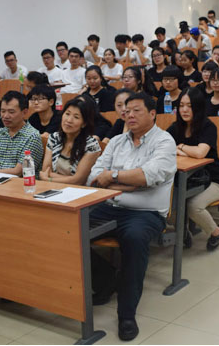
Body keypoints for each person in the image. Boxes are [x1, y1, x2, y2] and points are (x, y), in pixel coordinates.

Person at [86, 92, 176, 341]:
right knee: (70, 229)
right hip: (109, 206)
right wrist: (129, 183)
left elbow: (148, 176)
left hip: (146, 213)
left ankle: (126, 315)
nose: (130, 115)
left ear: (153, 114)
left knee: (134, 240)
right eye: (127, 111)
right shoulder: (116, 141)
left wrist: (113, 177)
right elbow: (94, 176)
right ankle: (106, 279)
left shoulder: (164, 141)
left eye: (137, 110)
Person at [167, 87, 219, 250]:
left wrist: (180, 147)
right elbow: (164, 147)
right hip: (188, 181)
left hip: (215, 181)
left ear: (198, 107)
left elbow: (200, 153)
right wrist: (185, 150)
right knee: (169, 202)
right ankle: (183, 231)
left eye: (189, 106)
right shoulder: (175, 127)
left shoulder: (208, 126)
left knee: (193, 206)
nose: (184, 110)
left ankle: (216, 232)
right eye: (181, 105)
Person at [39, 95, 101, 184]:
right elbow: (45, 170)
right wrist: (69, 179)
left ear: (84, 124)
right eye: (67, 114)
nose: (69, 120)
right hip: (52, 186)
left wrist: (49, 179)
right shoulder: (54, 138)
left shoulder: (91, 145)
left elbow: (79, 180)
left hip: (77, 190)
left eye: (76, 117)